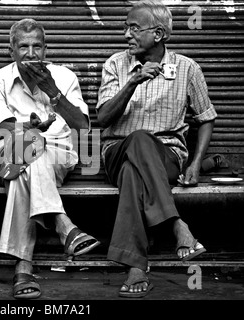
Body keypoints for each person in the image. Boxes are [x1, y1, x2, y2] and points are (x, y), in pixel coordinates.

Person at [96, 0, 217, 298]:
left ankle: (137, 265)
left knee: (133, 174)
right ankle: (176, 224)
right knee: (137, 140)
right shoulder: (115, 64)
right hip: (117, 151)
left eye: (134, 28)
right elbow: (103, 118)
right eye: (126, 27)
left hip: (167, 157)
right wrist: (132, 82)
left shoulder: (187, 68)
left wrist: (194, 163)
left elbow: (206, 119)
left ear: (159, 34)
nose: (126, 34)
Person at [0, 18, 100, 299]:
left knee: (33, 157)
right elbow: (2, 129)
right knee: (33, 145)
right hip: (8, 152)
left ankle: (24, 266)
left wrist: (53, 91)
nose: (31, 53)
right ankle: (63, 225)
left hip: (58, 155)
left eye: (37, 46)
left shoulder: (64, 77)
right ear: (11, 51)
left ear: (46, 49)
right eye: (23, 47)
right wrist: (30, 129)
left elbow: (83, 128)